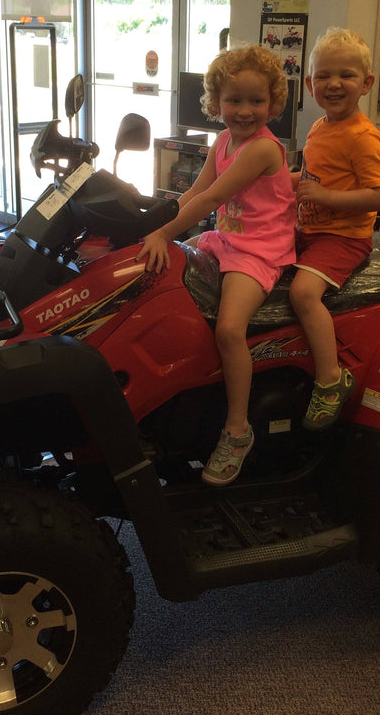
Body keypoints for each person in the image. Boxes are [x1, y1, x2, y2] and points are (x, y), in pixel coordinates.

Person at [137, 44, 295, 486]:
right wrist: (154, 225)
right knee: (170, 283)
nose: (244, 111)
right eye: (234, 100)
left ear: (273, 103)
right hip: (226, 240)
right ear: (216, 101)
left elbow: (211, 199)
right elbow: (192, 193)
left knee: (228, 328)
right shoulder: (224, 140)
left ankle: (237, 430)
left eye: (256, 101)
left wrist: (164, 233)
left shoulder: (262, 149)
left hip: (259, 250)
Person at [290, 28, 380, 430]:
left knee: (302, 293)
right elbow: (310, 179)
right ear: (310, 83)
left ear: (366, 84)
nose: (334, 84)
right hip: (309, 229)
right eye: (324, 76)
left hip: (344, 238)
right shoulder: (319, 127)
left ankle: (331, 379)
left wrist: (326, 197)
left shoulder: (363, 137)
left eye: (346, 75)